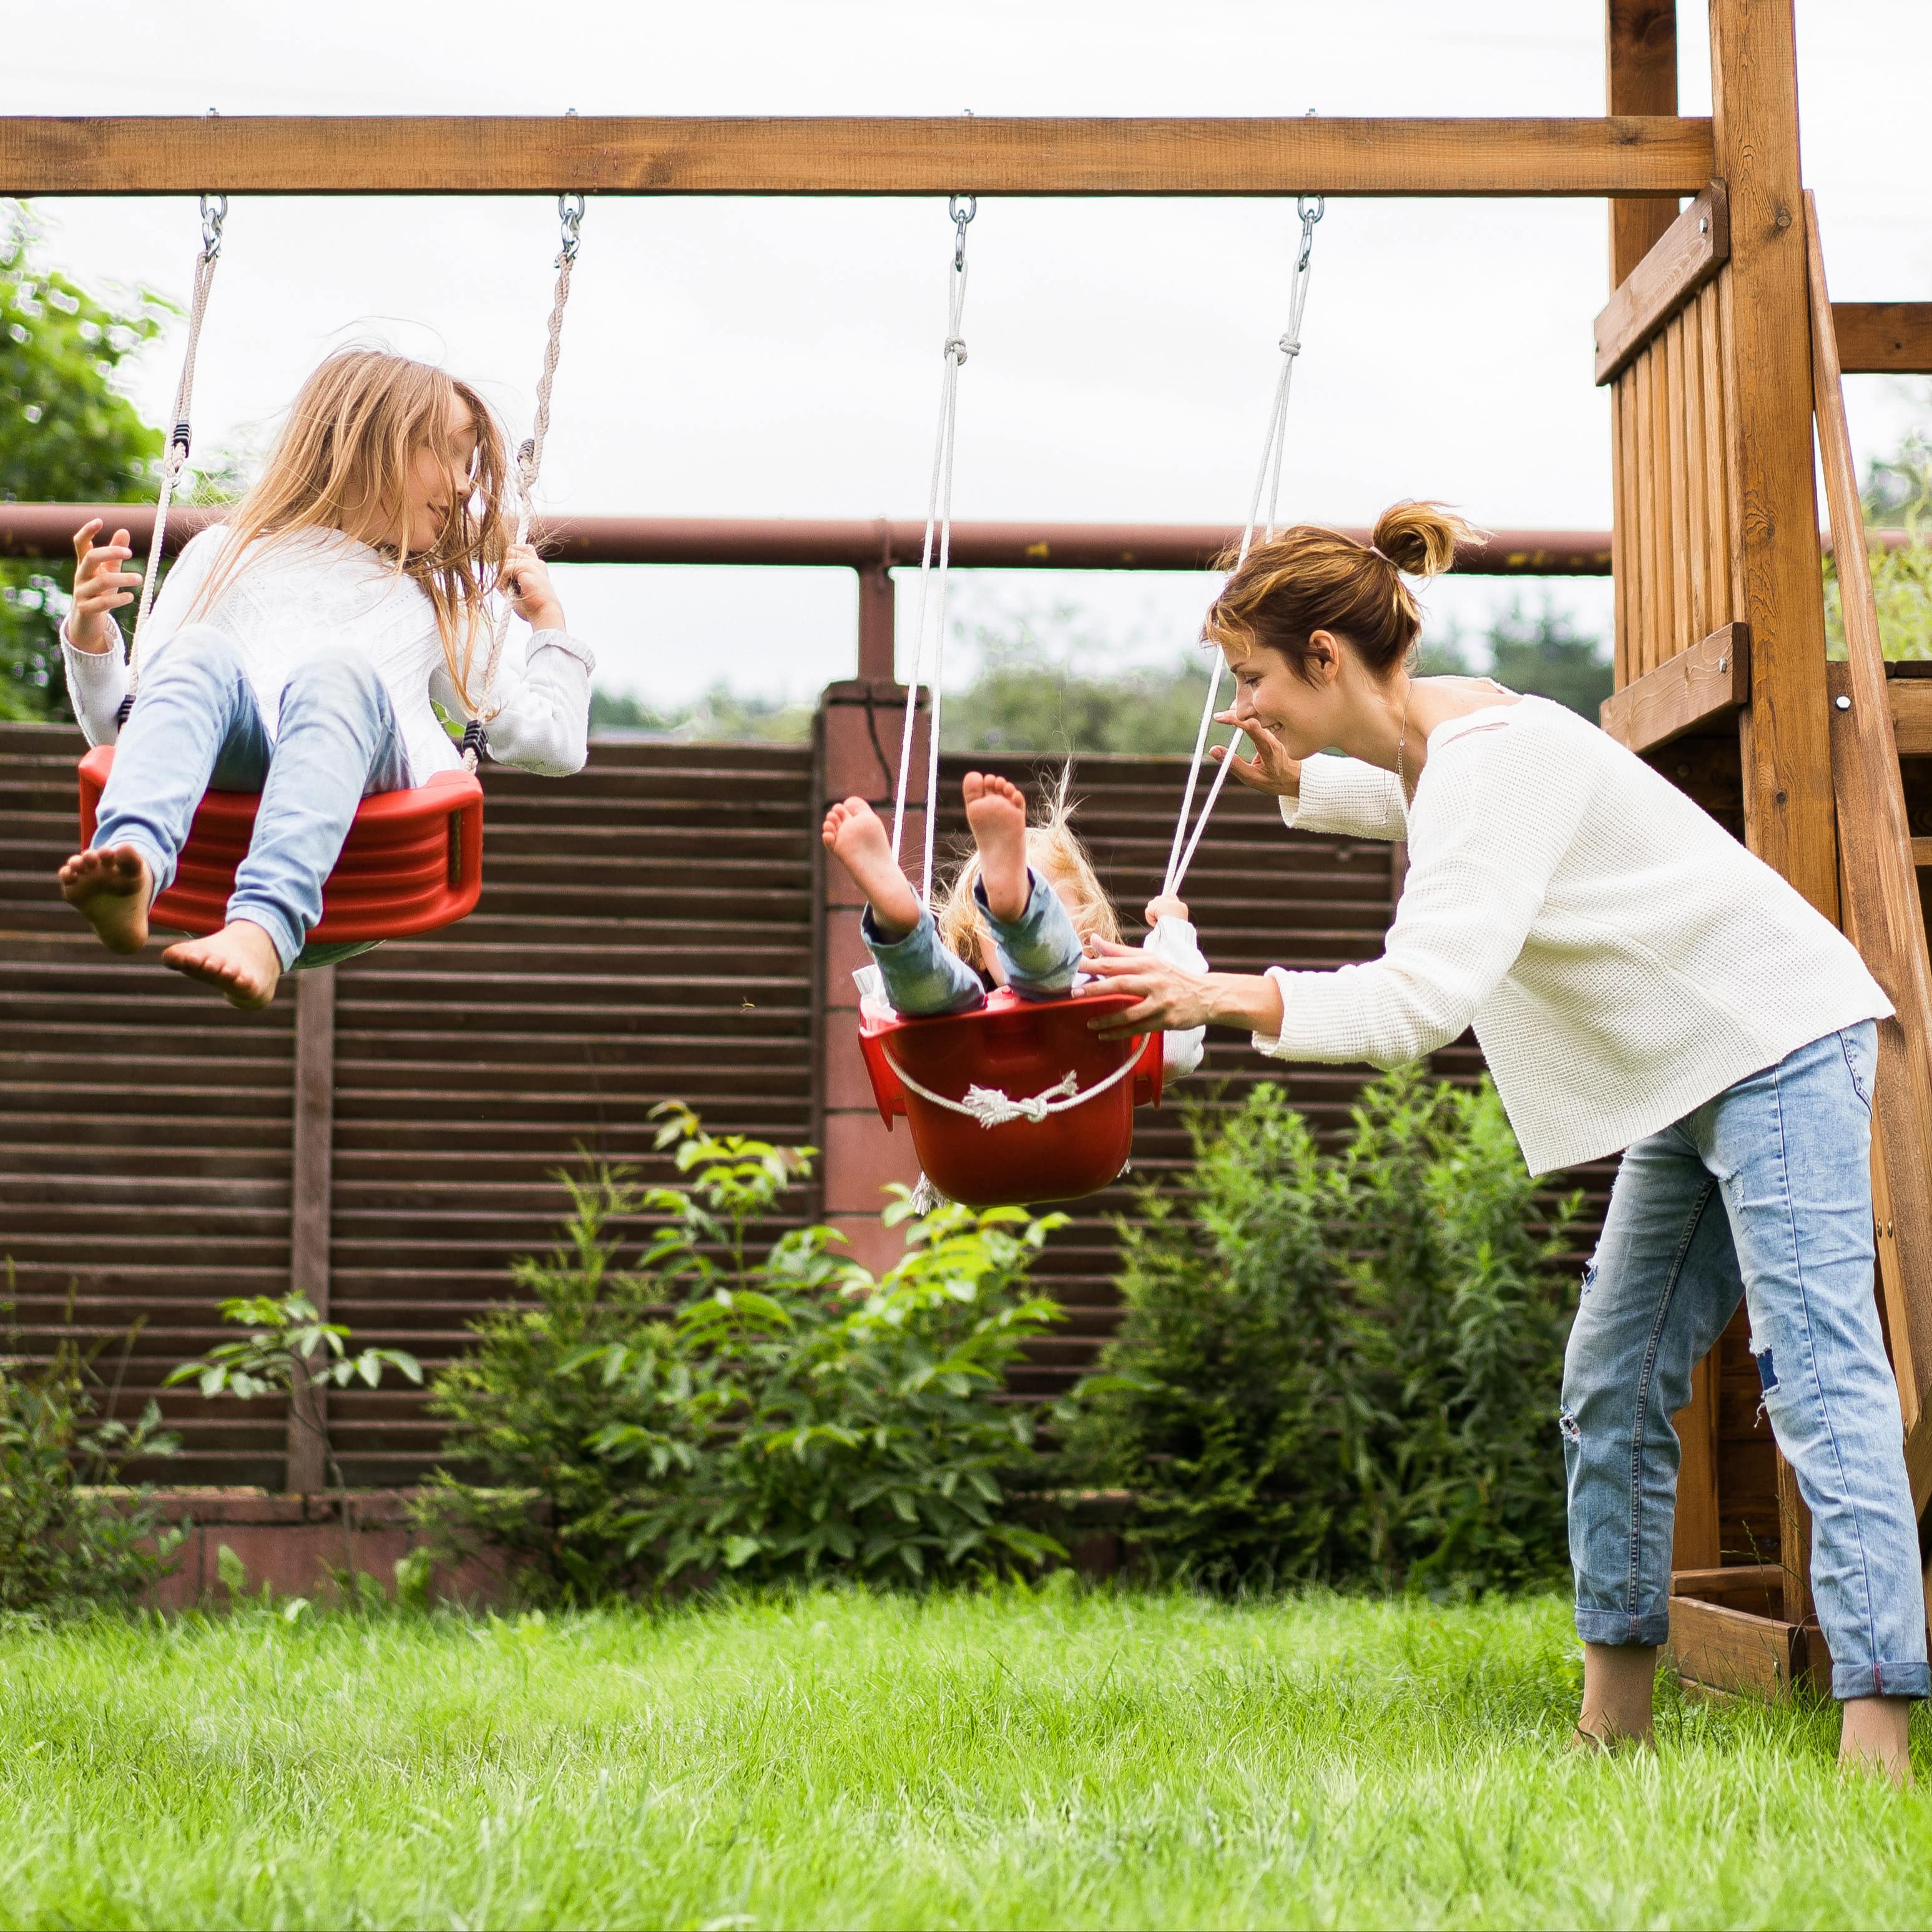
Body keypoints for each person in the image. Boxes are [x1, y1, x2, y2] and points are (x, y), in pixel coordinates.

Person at [1079, 499, 1924, 1783]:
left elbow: (1419, 996)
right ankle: (1611, 1729)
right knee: (1609, 1379)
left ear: (1322, 655)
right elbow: (1420, 794)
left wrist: (1222, 993)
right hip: (1683, 1072)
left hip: (1773, 1038)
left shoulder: (1482, 759)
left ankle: (1874, 1731)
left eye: (1250, 677)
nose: (1237, 702)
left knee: (1813, 1369)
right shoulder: (1440, 730)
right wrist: (1298, 783)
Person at [56, 348, 594, 1011]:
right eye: (449, 456)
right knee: (195, 652)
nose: (463, 487)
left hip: (363, 844)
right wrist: (89, 636)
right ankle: (132, 864)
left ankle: (264, 928)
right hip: (221, 817)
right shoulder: (224, 556)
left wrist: (549, 626)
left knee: (335, 674)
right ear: (371, 444)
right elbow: (131, 729)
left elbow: (556, 743)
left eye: (470, 468)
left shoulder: (435, 605)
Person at [822, 767, 1207, 1080]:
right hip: (959, 1041)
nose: (1006, 943)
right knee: (924, 1006)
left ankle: (903, 934)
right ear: (975, 946)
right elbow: (1179, 1050)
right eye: (999, 924)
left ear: (1088, 928)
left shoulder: (1108, 1005)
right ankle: (901, 925)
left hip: (967, 1130)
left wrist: (1171, 933)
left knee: (1037, 981)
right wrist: (1175, 937)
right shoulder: (965, 1005)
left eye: (1046, 903)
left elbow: (1174, 1028)